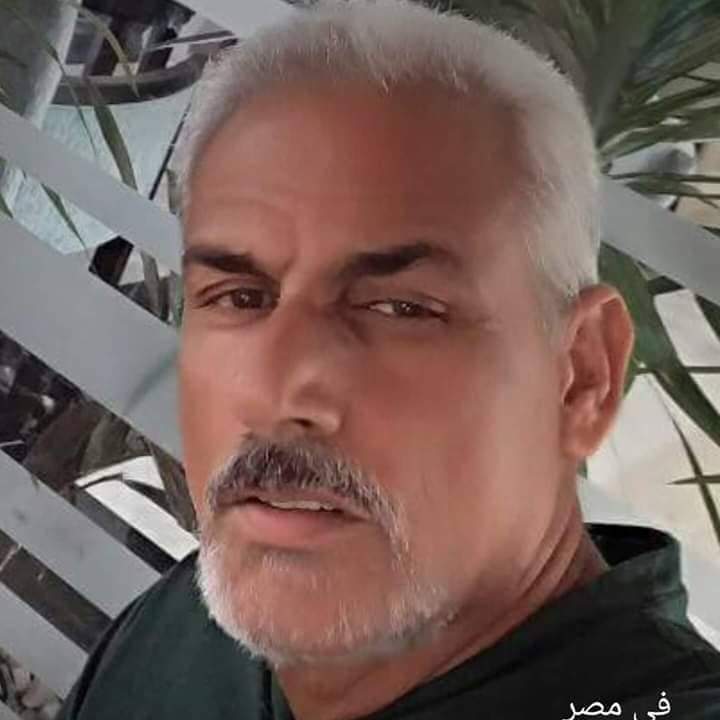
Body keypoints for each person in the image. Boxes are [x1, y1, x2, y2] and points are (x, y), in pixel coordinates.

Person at [57, 1, 720, 718]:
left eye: (400, 308)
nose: (278, 394)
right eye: (240, 297)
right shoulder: (179, 629)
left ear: (581, 377)